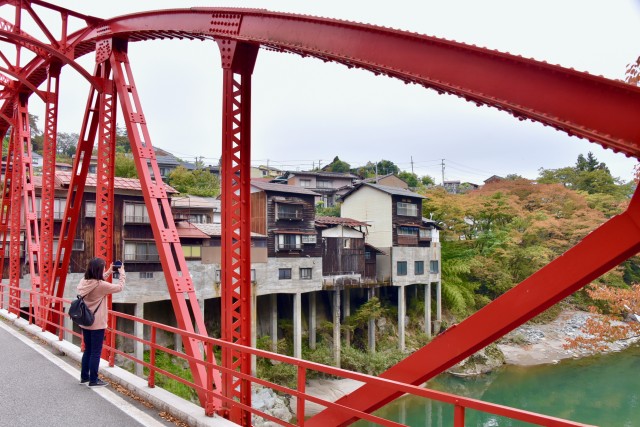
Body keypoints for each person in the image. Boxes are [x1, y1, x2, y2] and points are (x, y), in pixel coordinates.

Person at [77, 257, 126, 387]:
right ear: (99, 270)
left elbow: (98, 280)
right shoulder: (101, 286)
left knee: (87, 350)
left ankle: (84, 377)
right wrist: (122, 274)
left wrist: (109, 271)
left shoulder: (84, 281)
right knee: (95, 352)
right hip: (97, 323)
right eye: (103, 267)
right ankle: (94, 380)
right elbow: (120, 287)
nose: (105, 269)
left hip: (85, 320)